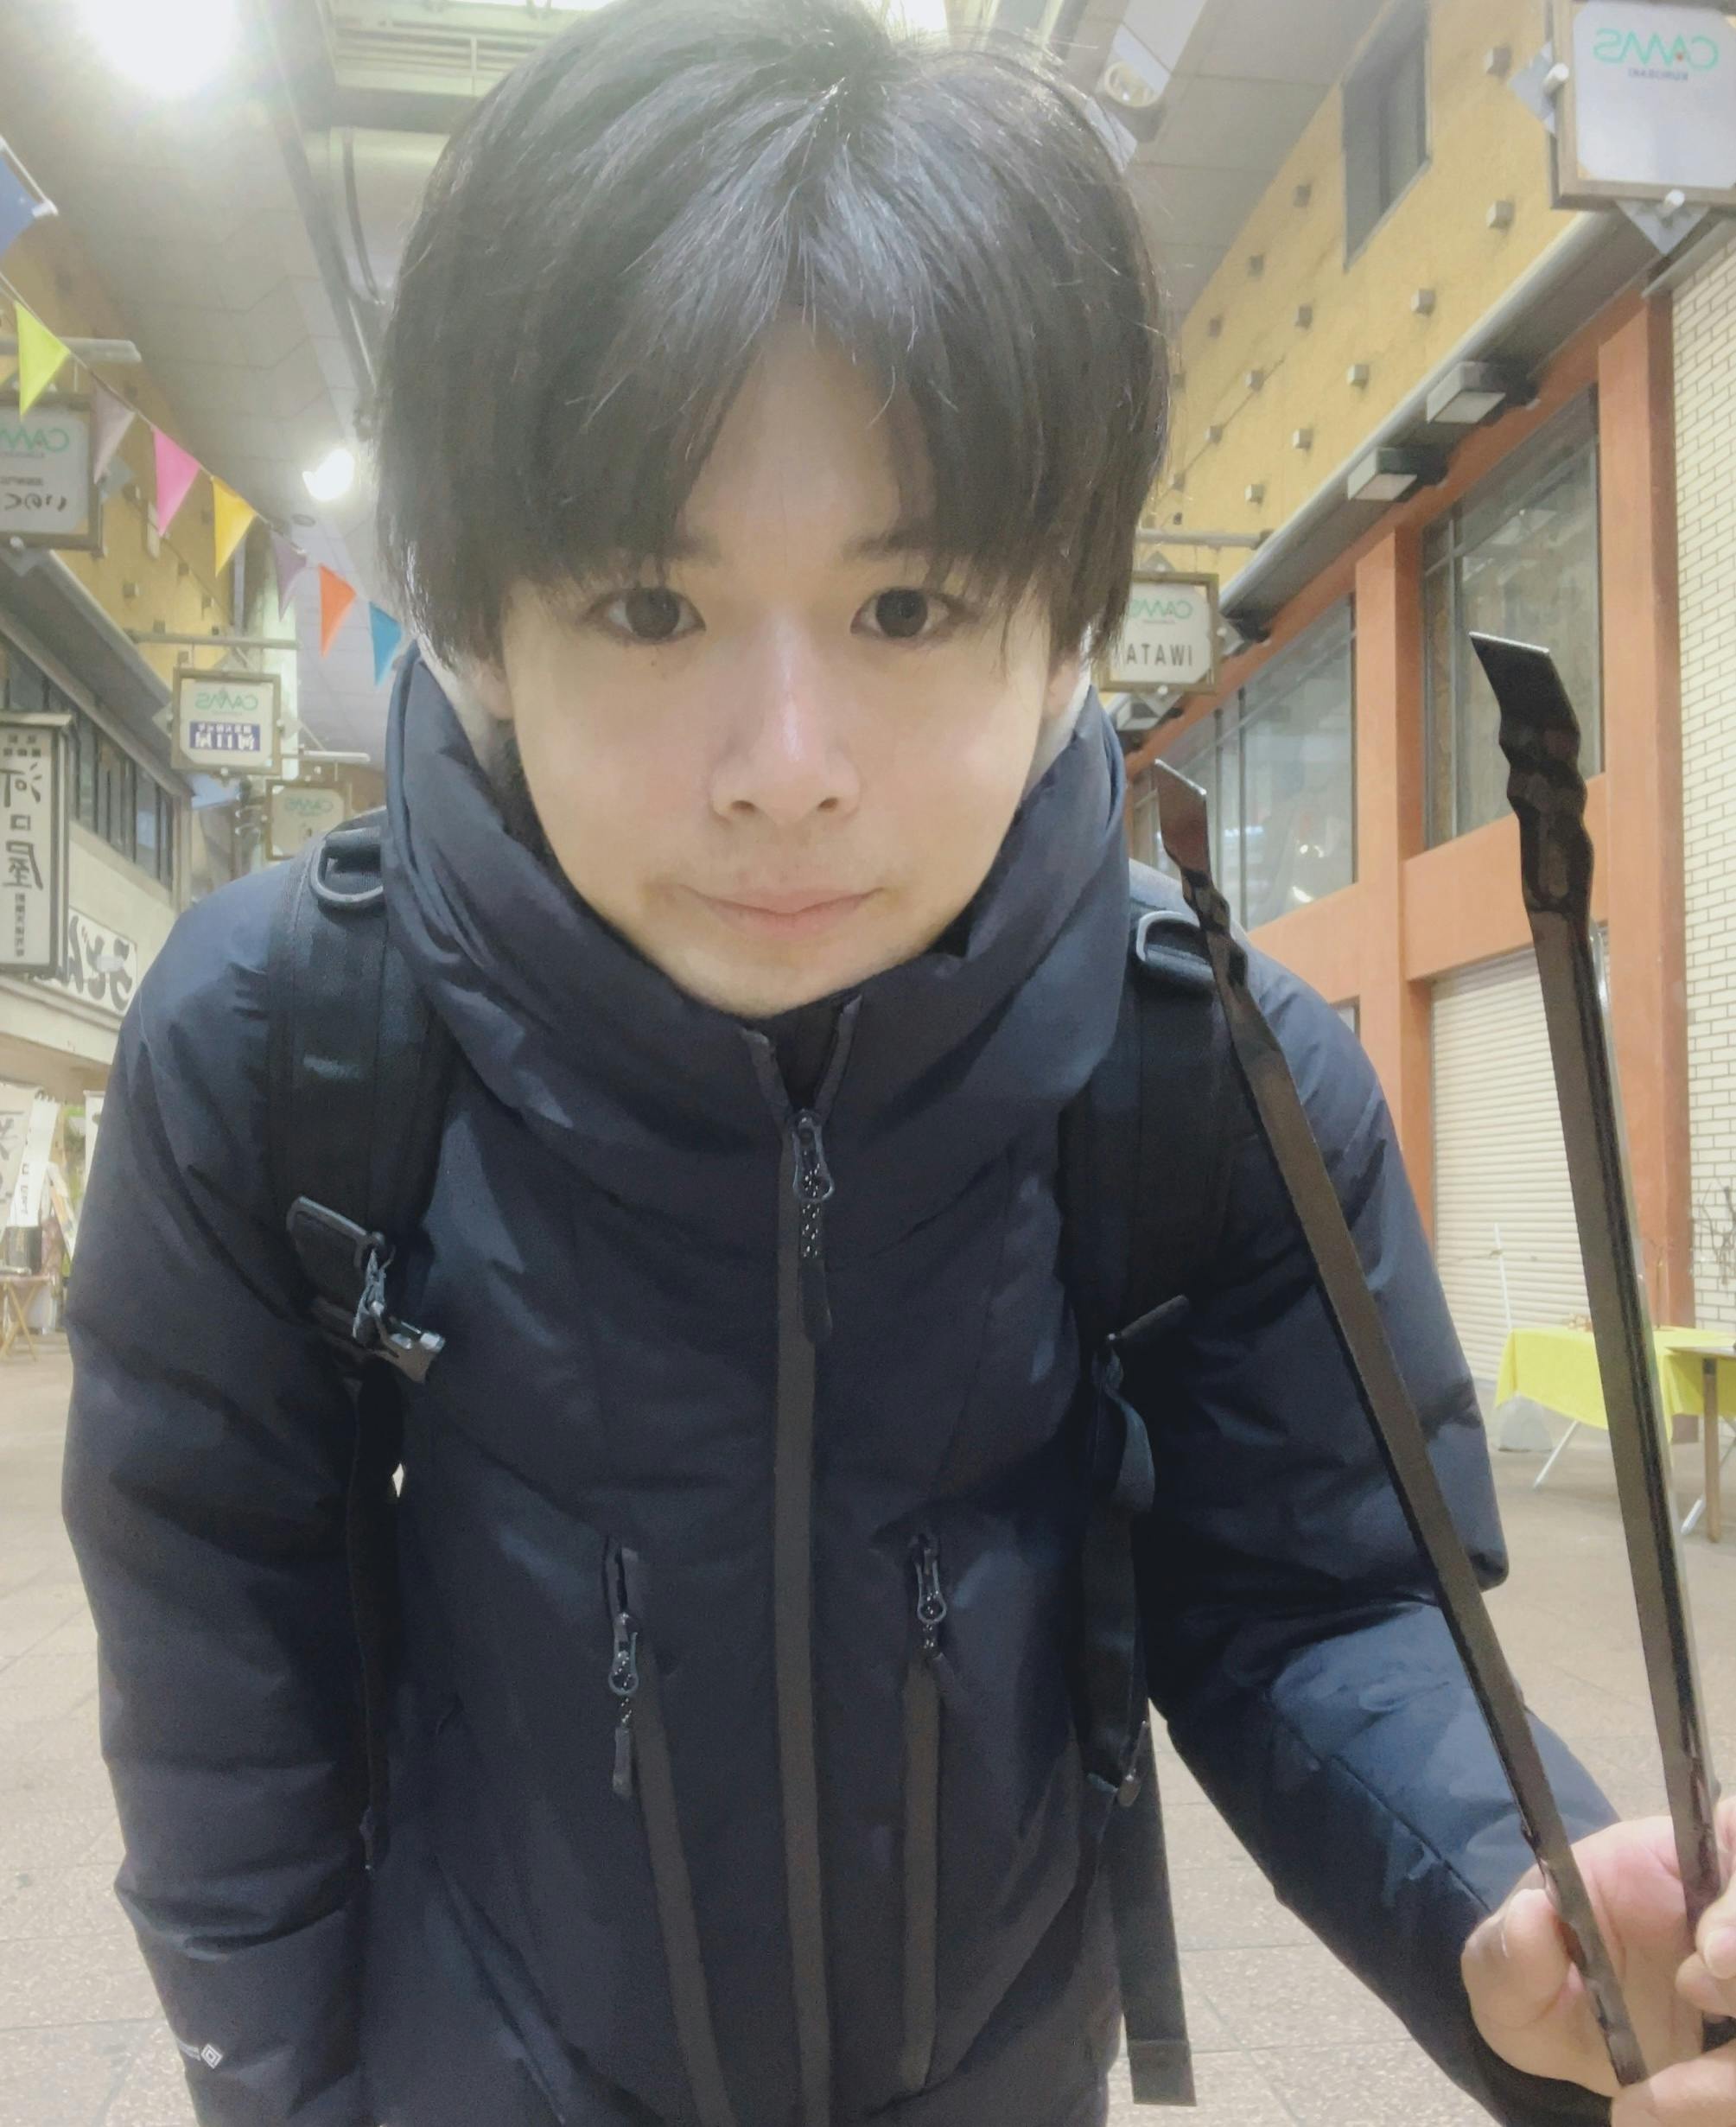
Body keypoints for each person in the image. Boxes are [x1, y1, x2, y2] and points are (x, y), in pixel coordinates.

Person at [62, 2, 1736, 2123]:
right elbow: (222, 1672)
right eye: (652, 607)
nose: (788, 768)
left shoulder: (1209, 1072)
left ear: (1067, 632)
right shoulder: (281, 1047)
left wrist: (1514, 1886)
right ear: (482, 627)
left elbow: (1320, 1598)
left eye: (912, 606)